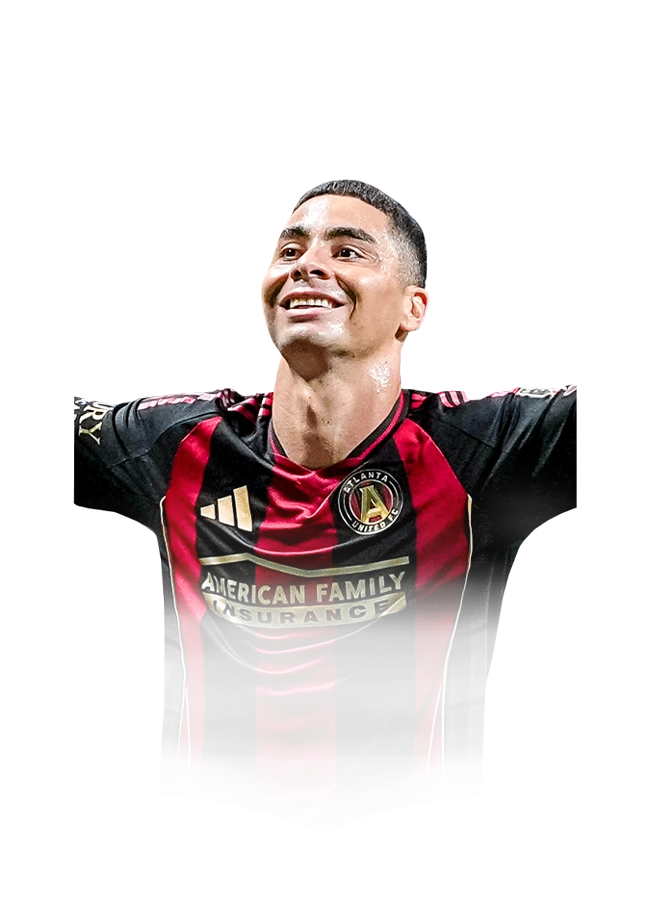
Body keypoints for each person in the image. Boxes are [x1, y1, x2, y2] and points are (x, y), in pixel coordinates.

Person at [73, 179, 576, 830]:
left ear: (413, 307)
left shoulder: (481, 445)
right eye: (290, 250)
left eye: (347, 251)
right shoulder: (175, 444)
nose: (306, 264)